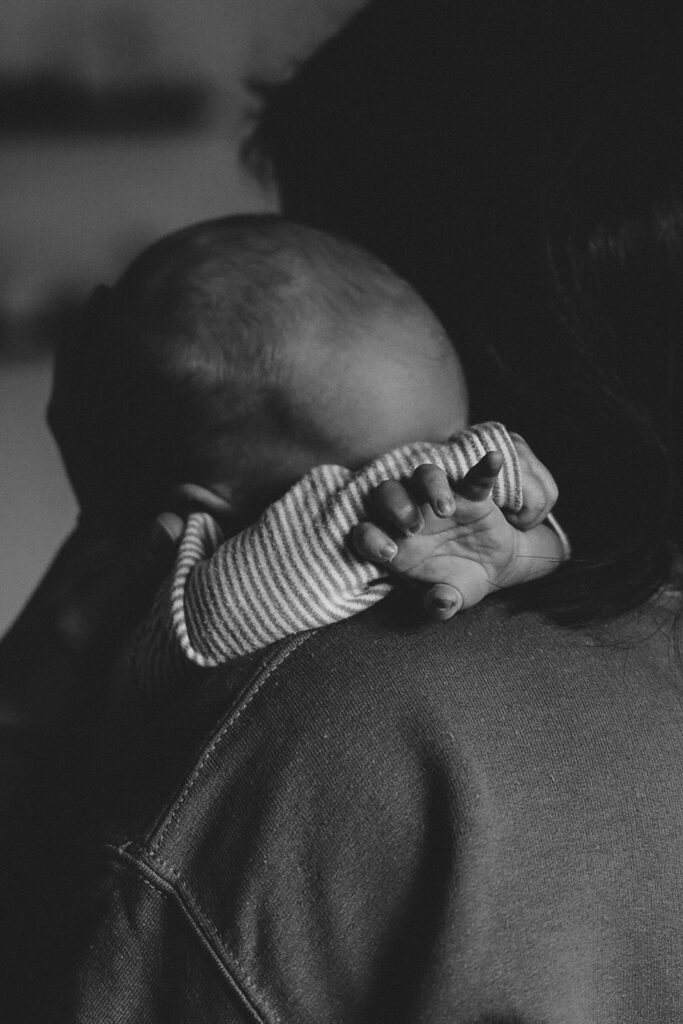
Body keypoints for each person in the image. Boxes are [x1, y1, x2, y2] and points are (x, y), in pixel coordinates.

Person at [70, 215, 563, 699]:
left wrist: (522, 550)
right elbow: (277, 577)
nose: (437, 478)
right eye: (379, 474)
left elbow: (511, 550)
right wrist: (480, 462)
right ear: (220, 510)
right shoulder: (191, 607)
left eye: (446, 444)